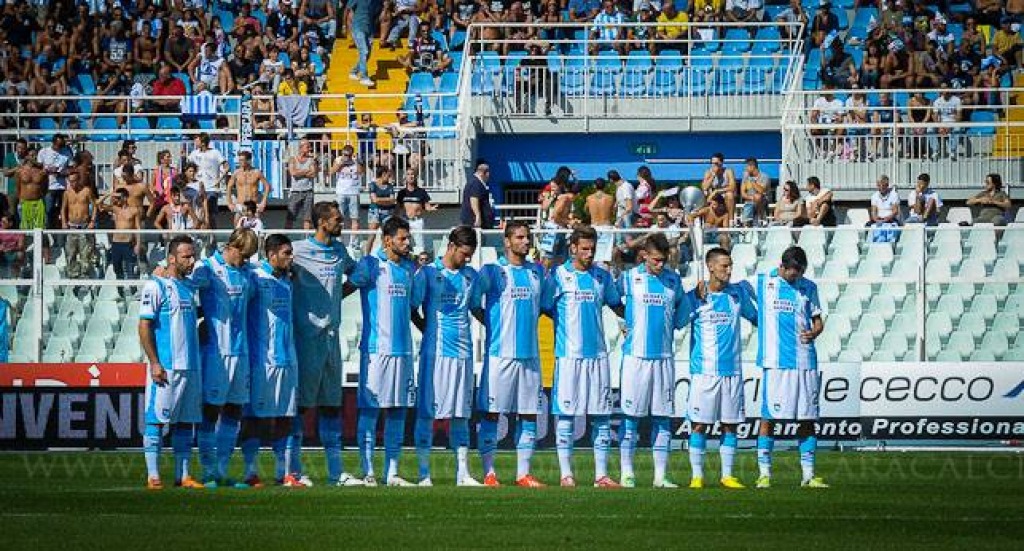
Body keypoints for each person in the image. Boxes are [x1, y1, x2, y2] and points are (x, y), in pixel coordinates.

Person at [541, 225, 625, 488]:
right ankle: (566, 475)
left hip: (598, 356)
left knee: (601, 416)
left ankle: (601, 475)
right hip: (569, 357)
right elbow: (545, 308)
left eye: (593, 249)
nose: (590, 254)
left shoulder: (602, 277)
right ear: (573, 248)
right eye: (585, 249)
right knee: (566, 415)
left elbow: (617, 305)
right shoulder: (558, 276)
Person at [174, 229, 258, 488]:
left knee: (234, 410)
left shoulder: (247, 272)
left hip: (241, 352)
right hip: (216, 354)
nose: (245, 261)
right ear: (232, 247)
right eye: (243, 255)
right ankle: (208, 470)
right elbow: (182, 284)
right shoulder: (208, 268)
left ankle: (222, 470)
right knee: (210, 411)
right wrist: (163, 270)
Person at [289, 201, 364, 487]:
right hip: (306, 339)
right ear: (322, 222)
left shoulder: (340, 251)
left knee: (332, 405)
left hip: (332, 337)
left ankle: (336, 473)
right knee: (301, 406)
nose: (341, 223)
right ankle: (294, 471)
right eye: (337, 219)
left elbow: (357, 275)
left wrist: (336, 298)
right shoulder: (298, 251)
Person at [350, 215, 425, 486]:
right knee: (370, 411)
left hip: (403, 351)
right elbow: (345, 289)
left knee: (398, 411)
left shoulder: (410, 270)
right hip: (376, 350)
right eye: (402, 238)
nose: (407, 243)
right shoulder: (370, 265)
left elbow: (413, 308)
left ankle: (391, 472)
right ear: (387, 240)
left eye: (408, 238)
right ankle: (368, 471)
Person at [473, 222, 546, 487]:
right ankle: (489, 473)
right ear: (507, 241)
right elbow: (473, 303)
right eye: (520, 237)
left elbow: (546, 304)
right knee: (492, 413)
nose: (526, 241)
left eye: (528, 237)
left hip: (530, 356)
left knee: (529, 414)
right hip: (499, 355)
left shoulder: (538, 272)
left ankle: (523, 474)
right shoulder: (492, 271)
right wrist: (493, 324)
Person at [681, 247, 758, 489]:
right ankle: (697, 476)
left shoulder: (737, 294)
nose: (729, 270)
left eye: (730, 265)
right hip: (704, 372)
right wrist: (692, 297)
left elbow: (756, 318)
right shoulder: (696, 296)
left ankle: (727, 475)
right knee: (699, 425)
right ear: (711, 267)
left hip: (732, 371)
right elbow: (676, 322)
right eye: (724, 265)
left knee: (730, 425)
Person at [412, 226, 481, 486]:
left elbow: (475, 308)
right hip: (436, 353)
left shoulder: (471, 276)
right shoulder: (429, 273)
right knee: (428, 413)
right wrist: (428, 330)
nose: (467, 259)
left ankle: (463, 474)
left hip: (463, 353)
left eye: (470, 255)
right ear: (451, 246)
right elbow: (412, 308)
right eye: (464, 254)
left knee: (461, 414)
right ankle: (424, 473)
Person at [618, 233, 687, 489]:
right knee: (631, 417)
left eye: (663, 260)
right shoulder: (629, 278)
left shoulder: (673, 280)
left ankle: (660, 476)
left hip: (664, 358)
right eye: (656, 260)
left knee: (662, 417)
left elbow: (681, 315)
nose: (660, 264)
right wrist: (623, 322)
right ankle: (627, 473)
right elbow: (611, 300)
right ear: (644, 255)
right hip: (635, 358)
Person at [756, 246, 828, 489]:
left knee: (807, 419)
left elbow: (818, 322)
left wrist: (814, 332)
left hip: (805, 361)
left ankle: (809, 475)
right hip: (776, 363)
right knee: (769, 418)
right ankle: (764, 474)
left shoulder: (809, 287)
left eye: (800, 272)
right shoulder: (764, 281)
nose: (796, 277)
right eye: (792, 273)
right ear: (782, 267)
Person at [138, 235, 204, 490]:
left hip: (191, 366)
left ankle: (183, 475)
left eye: (193, 255)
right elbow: (144, 325)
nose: (192, 260)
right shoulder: (155, 286)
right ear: (172, 258)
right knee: (156, 420)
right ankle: (153, 475)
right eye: (186, 256)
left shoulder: (189, 287)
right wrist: (154, 362)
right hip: (166, 365)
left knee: (185, 422)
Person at [239, 234, 301, 487]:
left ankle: (283, 473)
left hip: (288, 359)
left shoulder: (287, 280)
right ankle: (250, 472)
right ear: (271, 254)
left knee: (285, 417)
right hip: (262, 361)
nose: (291, 257)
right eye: (286, 253)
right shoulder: (255, 277)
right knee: (255, 417)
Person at [98, 188, 142, 281]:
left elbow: (137, 227)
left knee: (130, 267)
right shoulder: (115, 209)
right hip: (116, 243)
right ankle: (120, 287)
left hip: (128, 243)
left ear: (125, 198)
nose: (116, 200)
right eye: (115, 198)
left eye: (118, 198)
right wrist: (109, 194)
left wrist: (138, 244)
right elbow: (98, 204)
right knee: (117, 268)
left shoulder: (134, 210)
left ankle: (132, 288)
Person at [60, 171, 97, 279]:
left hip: (84, 226)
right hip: (71, 227)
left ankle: (85, 277)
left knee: (85, 254)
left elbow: (95, 206)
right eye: (70, 181)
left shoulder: (86, 191)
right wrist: (63, 222)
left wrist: (92, 221)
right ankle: (73, 276)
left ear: (79, 180)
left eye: (74, 181)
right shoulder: (67, 193)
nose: (72, 183)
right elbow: (63, 208)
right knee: (70, 254)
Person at [187, 133, 229, 228]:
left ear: (203, 142)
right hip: (197, 188)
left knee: (209, 213)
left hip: (211, 188)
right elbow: (188, 167)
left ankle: (212, 234)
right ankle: (200, 234)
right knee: (198, 213)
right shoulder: (194, 153)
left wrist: (219, 180)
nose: (195, 142)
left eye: (197, 140)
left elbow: (227, 167)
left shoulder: (215, 153)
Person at [396, 167, 437, 254]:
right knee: (405, 244)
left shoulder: (421, 192)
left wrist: (431, 208)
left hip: (417, 222)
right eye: (408, 174)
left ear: (416, 177)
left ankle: (419, 262)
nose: (410, 176)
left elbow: (427, 206)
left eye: (412, 174)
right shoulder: (401, 193)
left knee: (419, 246)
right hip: (405, 221)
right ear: (405, 177)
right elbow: (398, 208)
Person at [37, 134, 73, 233]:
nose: (60, 147)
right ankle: (49, 232)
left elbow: (71, 169)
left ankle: (62, 232)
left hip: (62, 187)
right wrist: (46, 170)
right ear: (53, 143)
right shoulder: (43, 152)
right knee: (48, 211)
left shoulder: (66, 152)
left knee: (63, 210)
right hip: (48, 186)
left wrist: (61, 173)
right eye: (58, 145)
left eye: (62, 145)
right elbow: (38, 168)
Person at [330, 144, 364, 247]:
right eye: (345, 155)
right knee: (339, 218)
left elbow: (361, 172)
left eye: (349, 155)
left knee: (355, 218)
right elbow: (332, 171)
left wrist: (356, 161)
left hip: (353, 192)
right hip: (341, 192)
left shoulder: (356, 160)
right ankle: (339, 240)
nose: (347, 157)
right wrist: (341, 163)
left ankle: (354, 242)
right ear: (342, 153)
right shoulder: (338, 160)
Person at [225, 151, 269, 227]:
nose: (240, 162)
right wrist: (229, 203)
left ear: (248, 160)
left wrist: (263, 202)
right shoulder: (236, 173)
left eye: (242, 160)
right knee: (237, 228)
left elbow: (267, 186)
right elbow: (229, 187)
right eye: (239, 160)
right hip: (240, 204)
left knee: (255, 229)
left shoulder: (257, 172)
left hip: (253, 204)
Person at [286, 139, 319, 230]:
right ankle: (286, 236)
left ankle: (306, 236)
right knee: (290, 218)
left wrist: (299, 172)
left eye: (310, 147)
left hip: (308, 192)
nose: (310, 149)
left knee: (307, 219)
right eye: (307, 147)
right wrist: (307, 171)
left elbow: (314, 174)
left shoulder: (311, 160)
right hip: (295, 192)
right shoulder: (293, 159)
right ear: (301, 148)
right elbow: (293, 173)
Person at [365, 165, 396, 254]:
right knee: (372, 235)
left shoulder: (390, 186)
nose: (389, 178)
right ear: (383, 174)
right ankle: (367, 255)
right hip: (375, 212)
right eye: (388, 175)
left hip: (387, 212)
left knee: (385, 235)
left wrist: (380, 200)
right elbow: (374, 200)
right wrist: (387, 200)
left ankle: (383, 254)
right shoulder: (373, 185)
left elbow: (393, 200)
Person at [585, 178, 616, 264]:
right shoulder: (610, 198)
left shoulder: (589, 198)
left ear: (594, 186)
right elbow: (613, 212)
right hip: (606, 226)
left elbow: (586, 210)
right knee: (607, 255)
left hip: (594, 226)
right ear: (604, 186)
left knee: (593, 252)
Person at [460, 160, 497, 231]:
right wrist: (478, 216)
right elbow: (474, 199)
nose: (489, 175)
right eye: (488, 172)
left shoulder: (476, 182)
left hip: (480, 223)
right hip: (475, 223)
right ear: (484, 173)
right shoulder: (475, 183)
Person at [701, 153, 737, 223]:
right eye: (712, 163)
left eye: (716, 163)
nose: (714, 165)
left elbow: (733, 187)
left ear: (721, 163)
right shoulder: (708, 172)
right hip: (714, 198)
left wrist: (717, 191)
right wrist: (713, 175)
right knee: (704, 198)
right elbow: (704, 187)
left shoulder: (728, 171)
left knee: (729, 195)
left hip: (725, 197)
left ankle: (731, 221)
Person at [740, 157, 769, 226]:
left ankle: (761, 219)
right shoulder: (745, 176)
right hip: (749, 201)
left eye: (747, 167)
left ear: (752, 166)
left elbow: (761, 191)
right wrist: (753, 198)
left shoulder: (764, 176)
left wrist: (752, 181)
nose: (745, 169)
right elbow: (743, 193)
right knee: (746, 223)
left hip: (762, 202)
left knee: (758, 196)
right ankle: (747, 223)